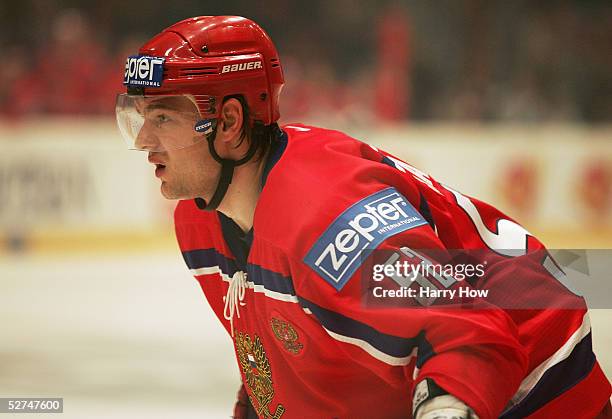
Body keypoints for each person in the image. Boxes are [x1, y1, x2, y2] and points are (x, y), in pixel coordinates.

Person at [115, 16, 611, 419]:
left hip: (536, 383)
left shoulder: (332, 222)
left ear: (228, 122)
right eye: (140, 117)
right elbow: (284, 345)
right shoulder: (200, 219)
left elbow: (469, 330)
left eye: (163, 119)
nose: (143, 142)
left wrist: (446, 407)